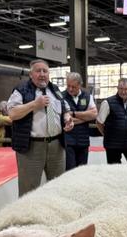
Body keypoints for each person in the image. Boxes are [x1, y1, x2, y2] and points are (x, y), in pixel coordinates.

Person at [6, 59, 74, 196]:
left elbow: (65, 108)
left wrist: (67, 118)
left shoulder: (54, 89)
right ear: (31, 74)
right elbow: (12, 113)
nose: (42, 74)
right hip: (31, 147)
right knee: (29, 189)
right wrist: (34, 105)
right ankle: (27, 218)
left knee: (58, 186)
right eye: (38, 71)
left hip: (57, 145)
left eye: (45, 71)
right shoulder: (21, 90)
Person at [97, 77, 127, 166]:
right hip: (112, 145)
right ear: (117, 88)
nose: (123, 92)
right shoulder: (107, 103)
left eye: (126, 89)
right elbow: (99, 123)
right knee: (114, 173)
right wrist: (107, 134)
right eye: (121, 89)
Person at [63, 72, 97, 170]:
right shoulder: (62, 96)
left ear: (79, 85)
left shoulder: (87, 95)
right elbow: (66, 120)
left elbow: (94, 114)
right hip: (68, 142)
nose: (70, 89)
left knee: (82, 171)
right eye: (68, 86)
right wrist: (86, 117)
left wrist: (74, 114)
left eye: (73, 87)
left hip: (83, 141)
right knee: (70, 171)